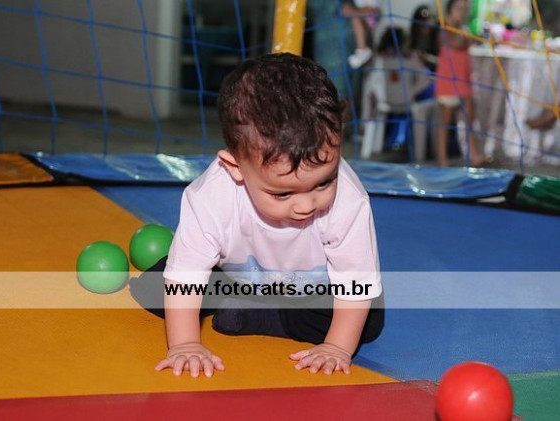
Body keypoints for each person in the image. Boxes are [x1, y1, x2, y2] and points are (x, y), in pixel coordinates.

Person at [133, 53, 384, 378]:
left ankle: (265, 316)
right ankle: (239, 299)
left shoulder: (349, 201)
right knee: (158, 289)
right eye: (283, 193)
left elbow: (353, 284)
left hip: (312, 290)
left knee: (367, 321)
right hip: (236, 276)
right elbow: (185, 278)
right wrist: (185, 343)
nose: (306, 205)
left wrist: (337, 347)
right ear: (235, 167)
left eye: (324, 182)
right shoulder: (210, 197)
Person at [434, 0, 486, 167]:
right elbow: (455, 43)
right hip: (448, 80)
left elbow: (467, 43)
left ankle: (474, 154)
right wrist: (466, 38)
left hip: (464, 79)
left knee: (469, 117)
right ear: (450, 10)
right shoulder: (445, 28)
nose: (463, 12)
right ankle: (442, 157)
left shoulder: (464, 29)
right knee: (446, 119)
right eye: (459, 8)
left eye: (465, 9)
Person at [342, 0, 381, 68]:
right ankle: (362, 50)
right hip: (362, 14)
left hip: (370, 17)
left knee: (353, 17)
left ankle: (362, 49)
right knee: (348, 11)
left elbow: (372, 11)